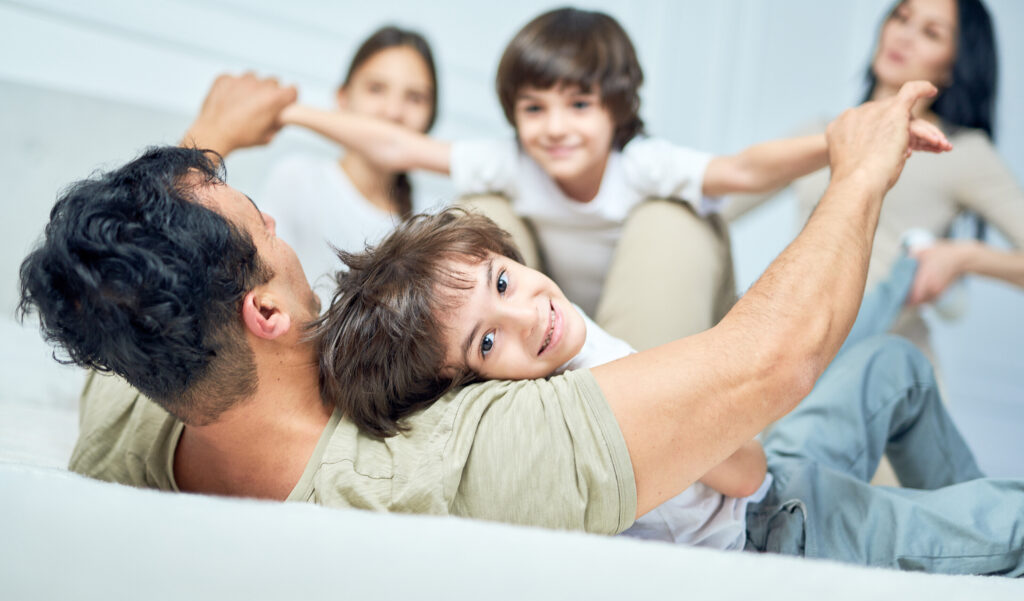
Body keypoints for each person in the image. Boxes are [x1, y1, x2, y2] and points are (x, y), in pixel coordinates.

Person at [19, 73, 1024, 575]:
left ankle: (962, 545)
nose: (277, 221)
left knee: (892, 362)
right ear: (267, 312)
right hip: (763, 495)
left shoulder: (133, 402)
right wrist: (858, 171)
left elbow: (124, 287)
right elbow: (768, 362)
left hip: (765, 463)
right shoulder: (436, 469)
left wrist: (202, 146)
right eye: (260, 226)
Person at [276, 8, 949, 350]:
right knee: (478, 206)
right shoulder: (512, 164)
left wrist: (842, 141)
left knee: (677, 217)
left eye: (579, 105)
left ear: (616, 109)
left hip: (657, 321)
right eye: (534, 109)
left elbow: (743, 168)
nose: (555, 128)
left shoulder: (641, 166)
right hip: (557, 324)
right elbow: (400, 144)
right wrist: (293, 110)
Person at [311, 208, 925, 550]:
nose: (527, 315)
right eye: (488, 342)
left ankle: (908, 274)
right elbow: (748, 472)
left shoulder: (561, 349)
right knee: (997, 523)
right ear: (472, 391)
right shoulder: (571, 408)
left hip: (763, 485)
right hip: (765, 527)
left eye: (501, 282)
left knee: (891, 365)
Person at [726, 0, 1024, 367]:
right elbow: (720, 201)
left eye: (931, 33)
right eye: (901, 17)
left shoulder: (959, 152)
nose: (905, 36)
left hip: (877, 372)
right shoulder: (822, 133)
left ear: (954, 66)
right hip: (794, 356)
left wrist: (964, 256)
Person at [259, 25, 439, 296]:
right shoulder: (297, 179)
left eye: (415, 98)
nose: (393, 111)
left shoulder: (432, 221)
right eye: (376, 88)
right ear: (342, 98)